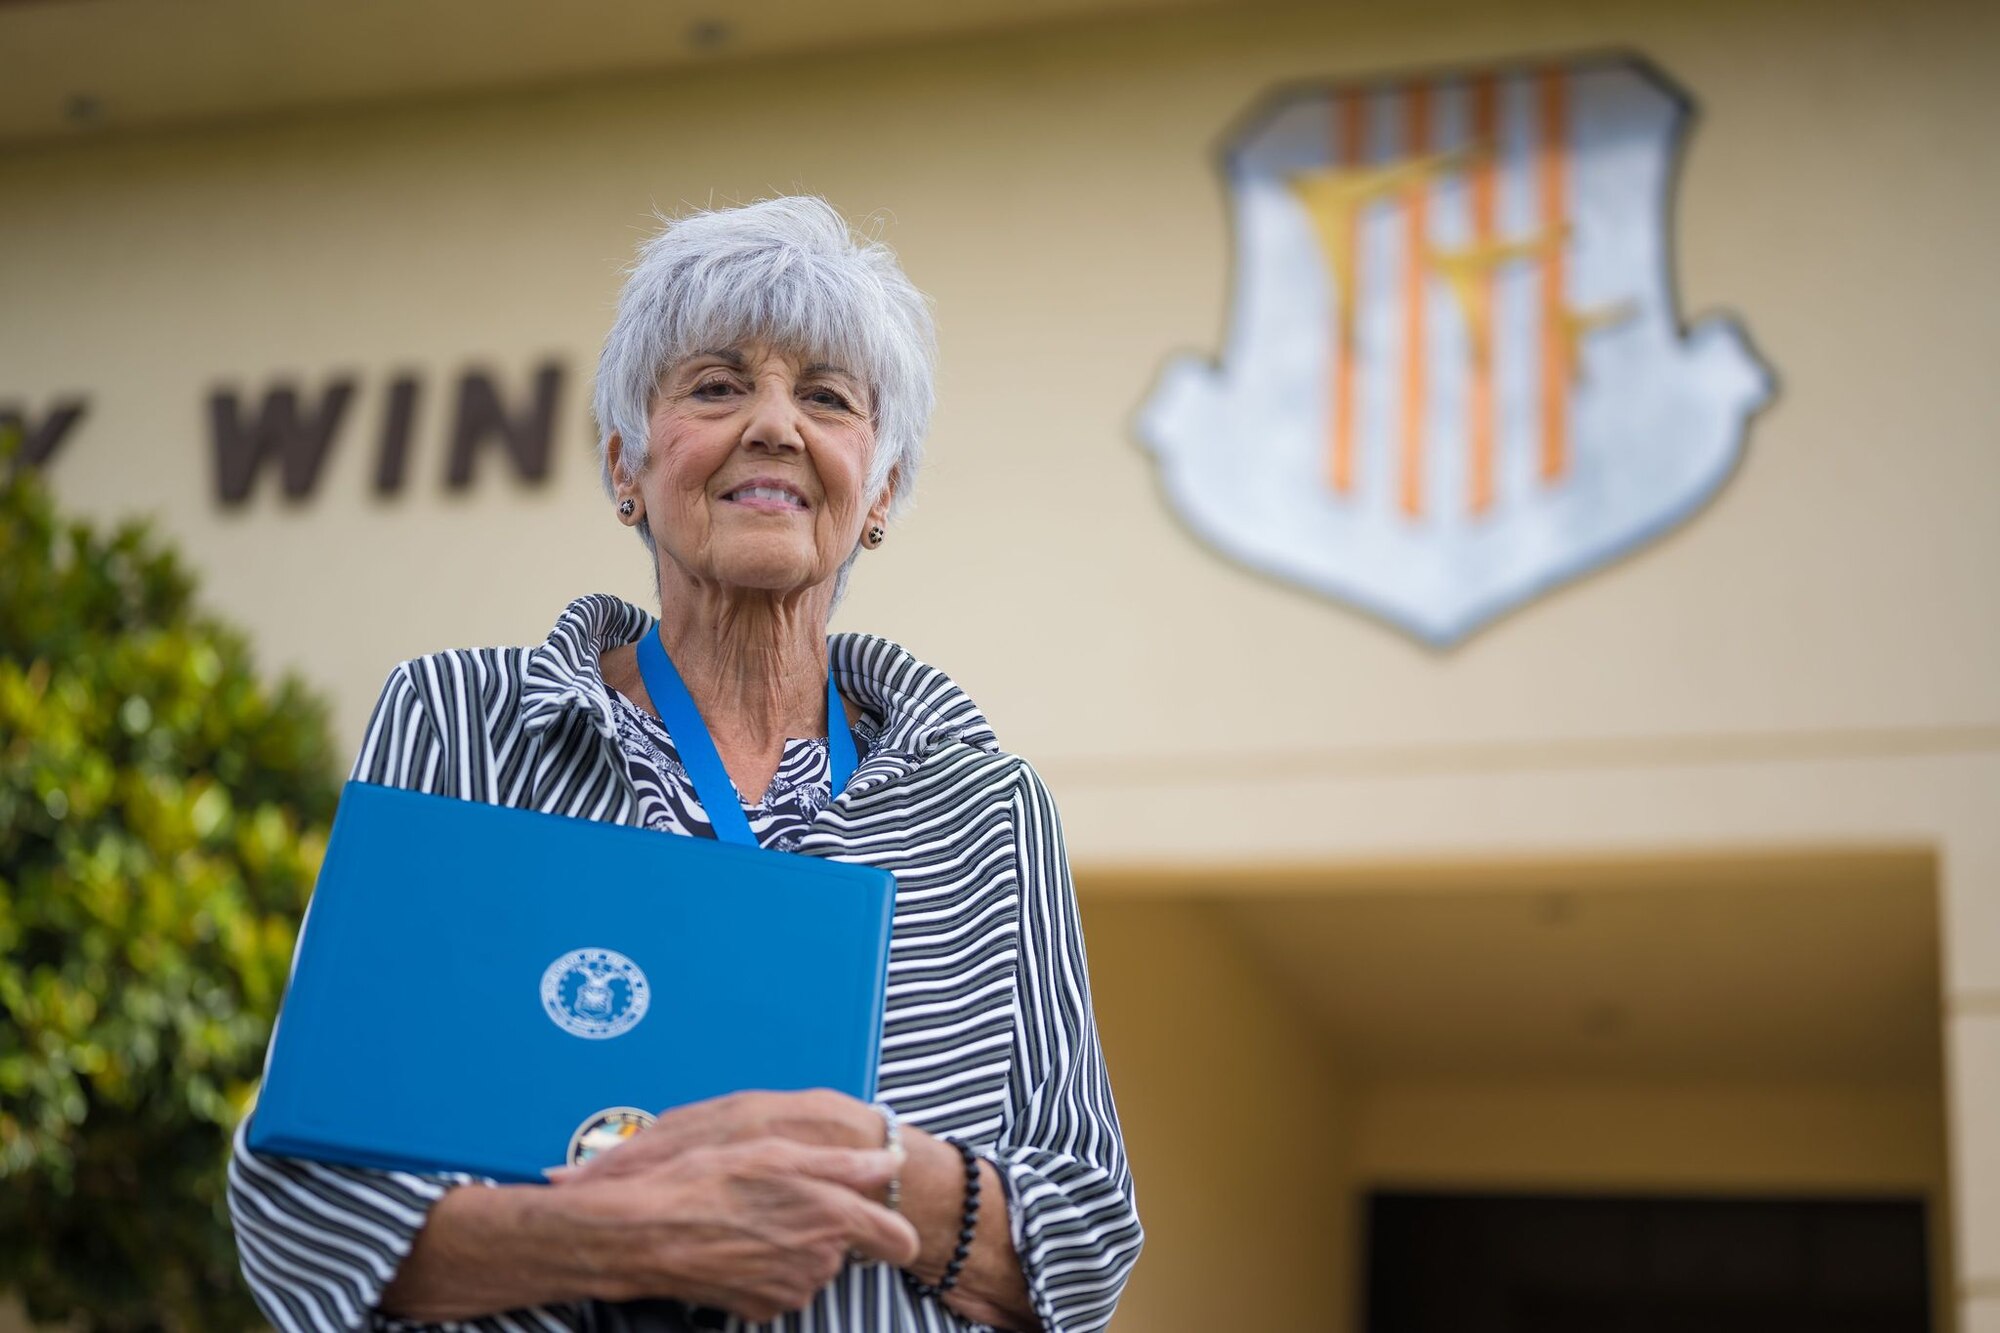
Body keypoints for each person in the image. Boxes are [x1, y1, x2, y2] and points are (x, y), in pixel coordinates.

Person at [226, 197, 1142, 1333]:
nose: (772, 425)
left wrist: (872, 1163)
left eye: (825, 397)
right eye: (714, 386)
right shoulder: (459, 725)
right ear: (625, 463)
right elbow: (295, 1203)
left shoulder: (986, 811)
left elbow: (1085, 1241)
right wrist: (638, 1232)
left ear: (881, 492)